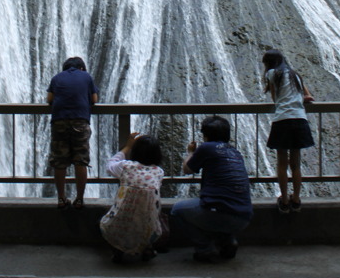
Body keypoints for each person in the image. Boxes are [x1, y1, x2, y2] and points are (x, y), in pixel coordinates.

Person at [171, 115, 253, 263]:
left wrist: (190, 153)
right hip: (244, 216)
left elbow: (187, 169)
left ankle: (204, 249)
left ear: (206, 136)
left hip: (219, 213)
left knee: (177, 211)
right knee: (215, 206)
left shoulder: (206, 147)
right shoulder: (235, 152)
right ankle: (228, 241)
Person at [262, 49, 315, 213]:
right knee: (295, 164)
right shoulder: (295, 75)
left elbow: (274, 98)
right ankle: (297, 200)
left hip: (283, 120)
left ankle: (284, 201)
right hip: (300, 120)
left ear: (269, 63)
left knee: (282, 164)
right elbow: (309, 96)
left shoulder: (271, 74)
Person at [99, 132, 165, 262]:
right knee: (147, 222)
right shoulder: (159, 172)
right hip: (148, 226)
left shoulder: (125, 167)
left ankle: (118, 251)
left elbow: (110, 165)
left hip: (120, 223)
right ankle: (147, 248)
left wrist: (127, 147)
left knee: (104, 223)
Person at [46, 56, 99, 209]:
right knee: (80, 160)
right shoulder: (86, 77)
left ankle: (61, 199)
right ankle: (80, 199)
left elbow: (49, 98)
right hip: (80, 122)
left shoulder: (56, 78)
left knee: (59, 161)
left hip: (59, 121)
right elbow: (94, 99)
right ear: (82, 68)